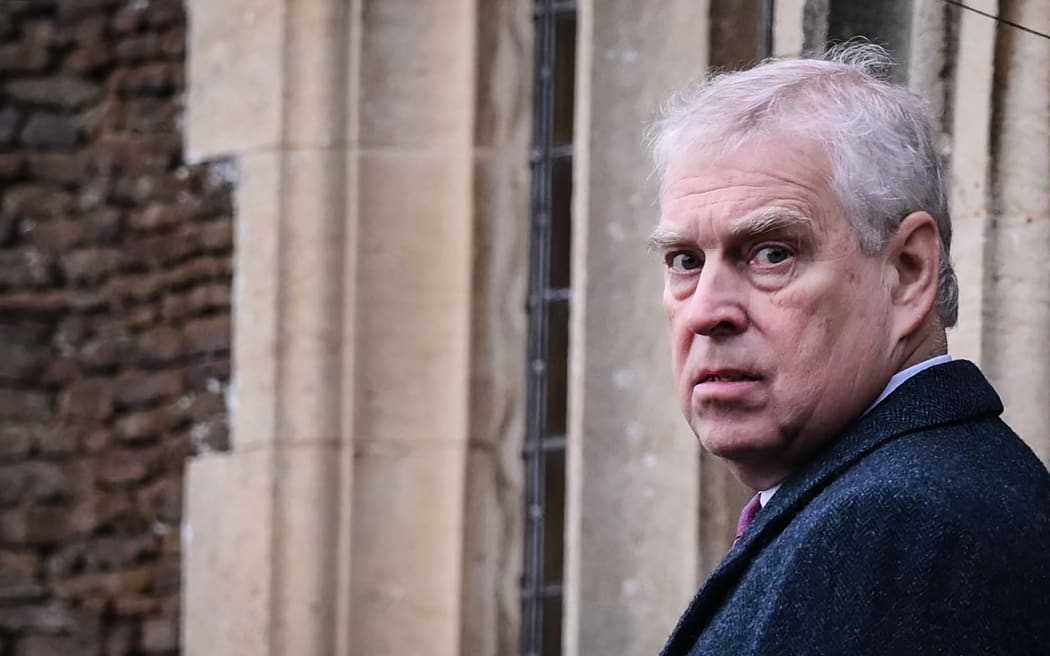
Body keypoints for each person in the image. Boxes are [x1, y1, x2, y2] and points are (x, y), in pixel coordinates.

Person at [647, 44, 1050, 655]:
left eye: (772, 253)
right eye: (685, 261)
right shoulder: (887, 500)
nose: (705, 311)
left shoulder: (901, 525)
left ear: (909, 271)